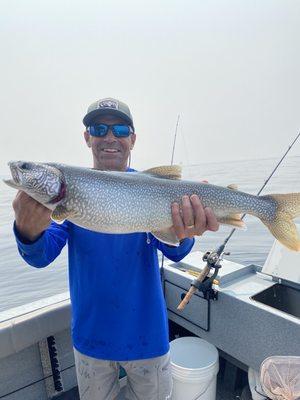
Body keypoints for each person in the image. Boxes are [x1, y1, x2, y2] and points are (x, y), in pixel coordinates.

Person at [12, 98, 219, 400]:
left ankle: (268, 209)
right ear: (88, 138)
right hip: (91, 340)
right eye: (99, 128)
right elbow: (41, 255)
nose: (110, 137)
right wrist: (27, 231)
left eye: (120, 129)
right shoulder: (65, 197)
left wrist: (186, 232)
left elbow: (176, 251)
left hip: (148, 338)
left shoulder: (151, 187)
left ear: (132, 139)